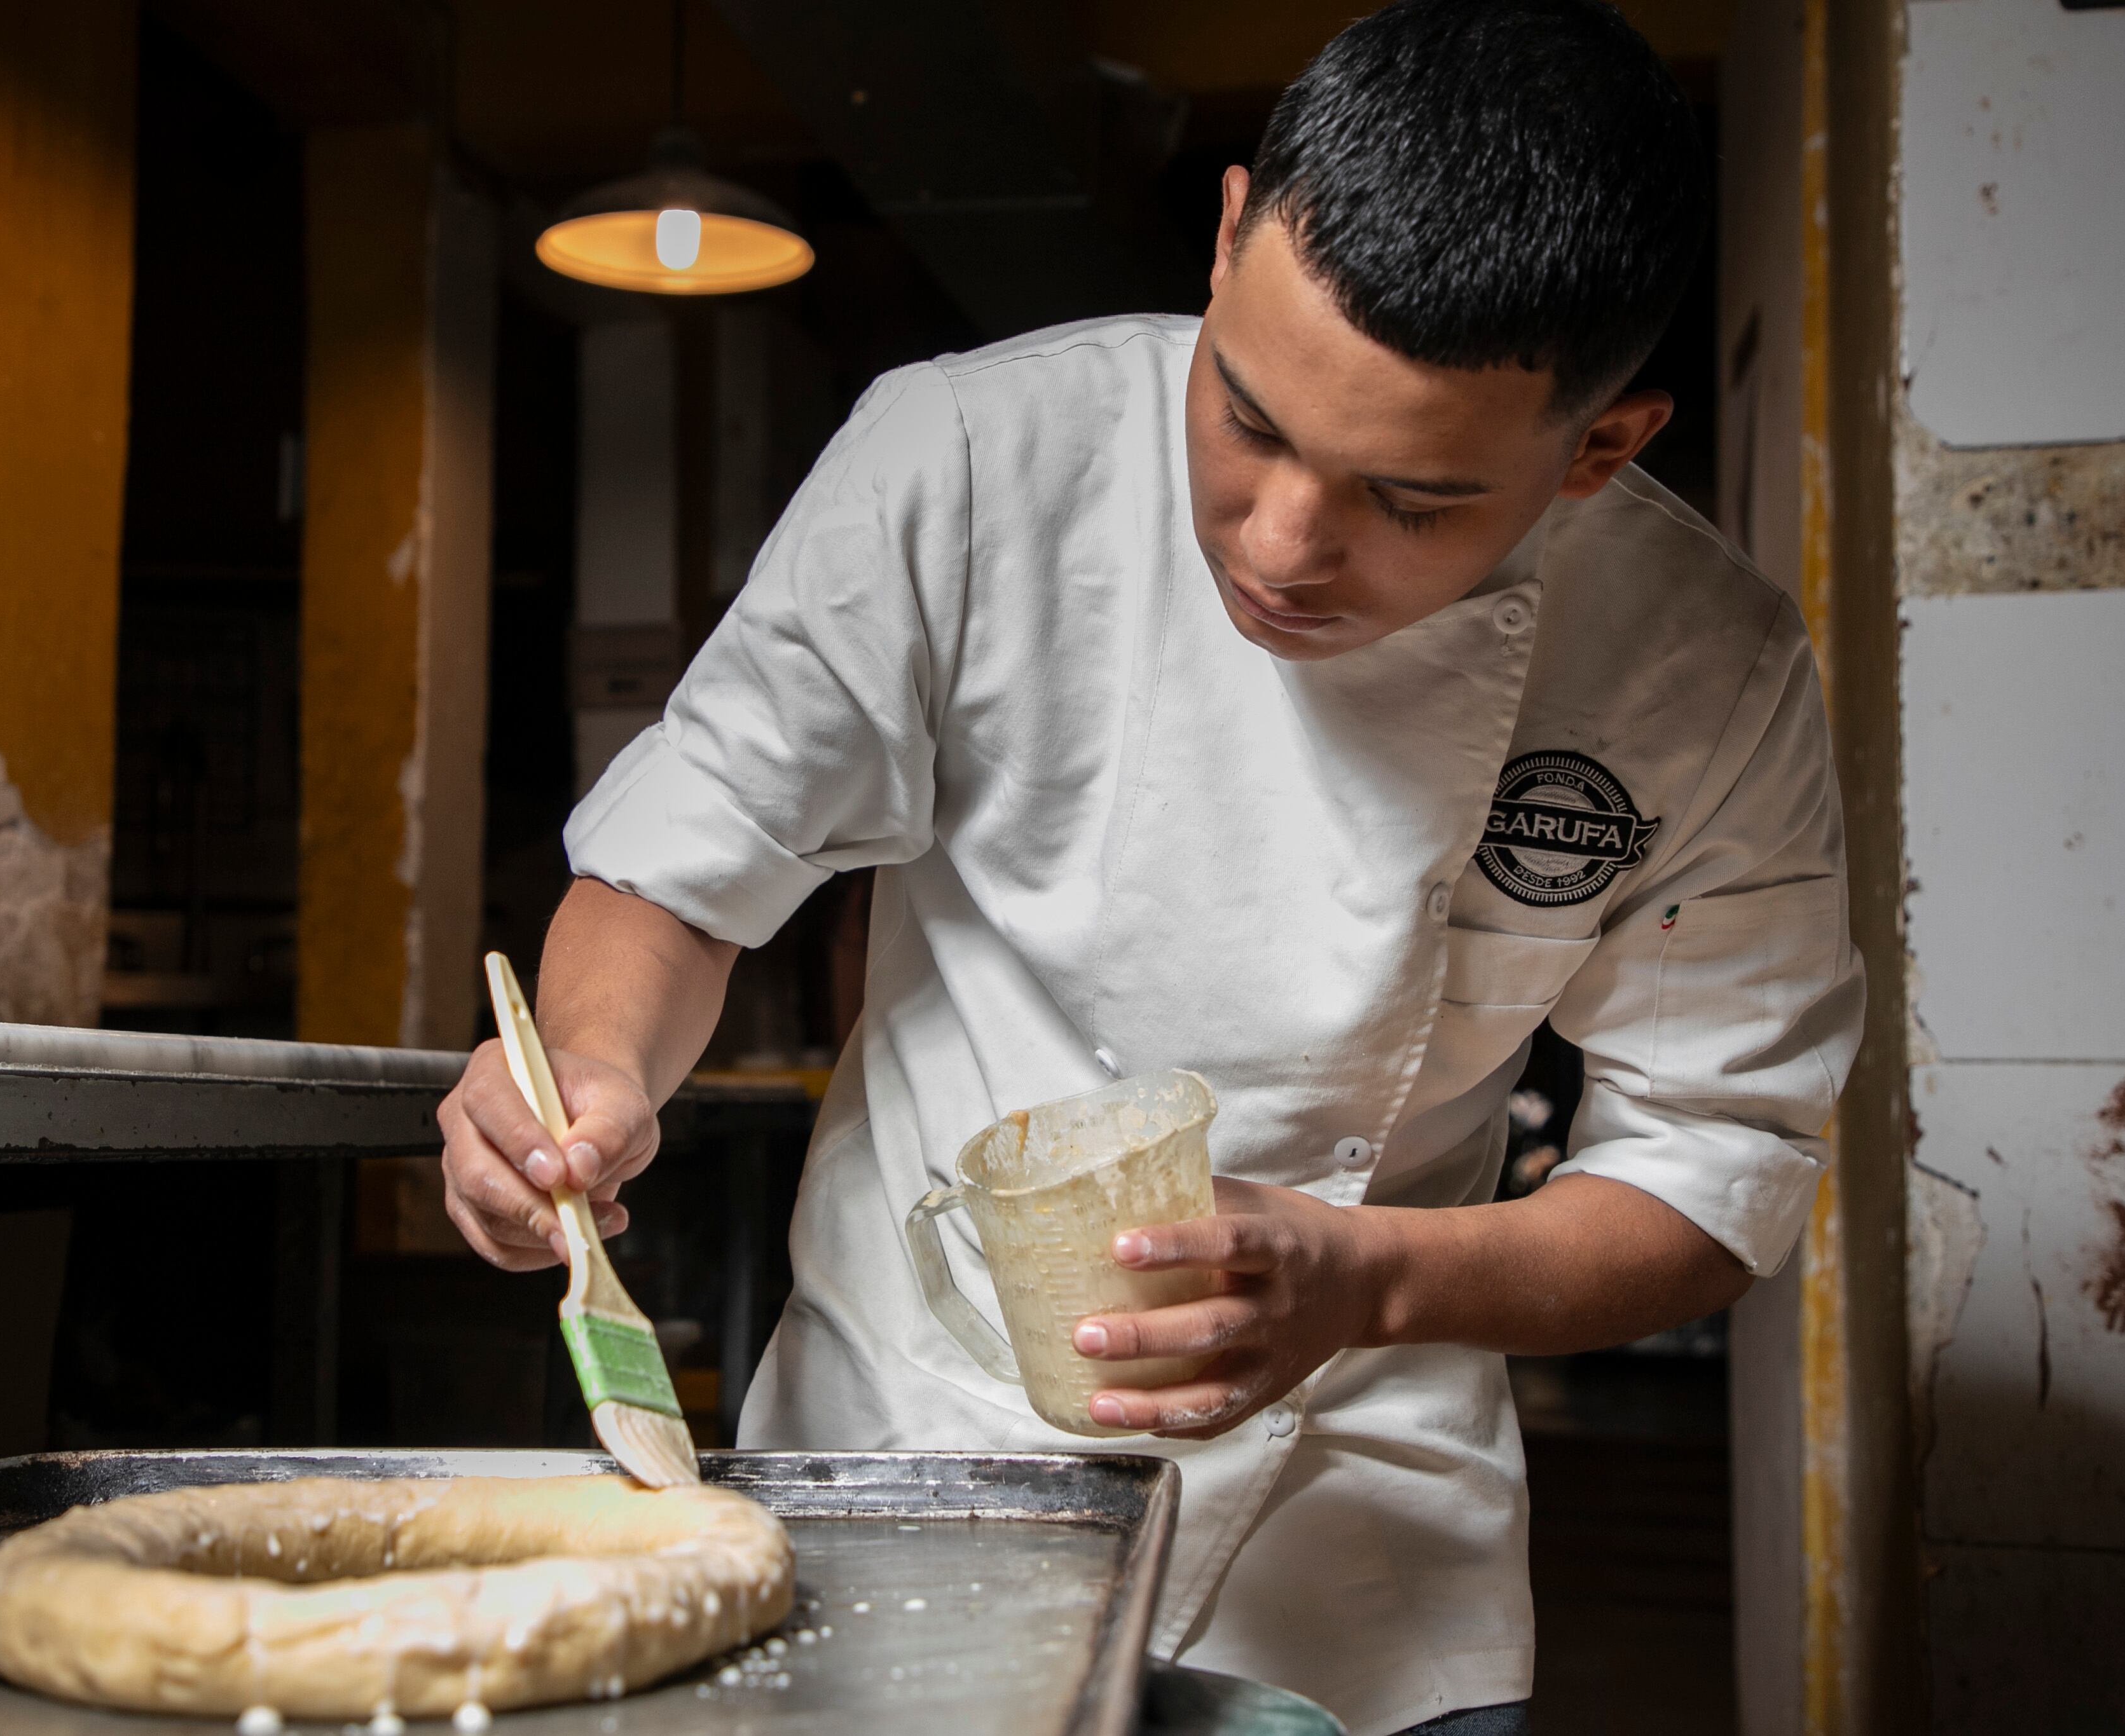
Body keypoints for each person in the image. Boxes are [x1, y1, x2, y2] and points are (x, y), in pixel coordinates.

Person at [436, 2, 1864, 1731]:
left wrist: (1374, 1274)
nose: (1277, 545)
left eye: (1406, 502)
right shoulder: (964, 462)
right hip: (914, 1447)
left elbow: (1713, 1168)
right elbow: (685, 869)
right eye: (1246, 417)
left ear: (1599, 449)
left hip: (1360, 1533)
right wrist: (585, 1068)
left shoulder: (1701, 668)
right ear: (1224, 233)